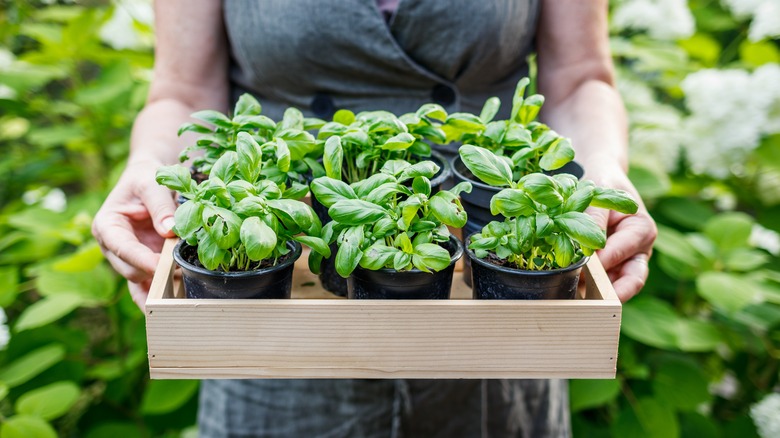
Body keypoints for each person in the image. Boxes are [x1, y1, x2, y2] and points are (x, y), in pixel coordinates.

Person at [93, 0, 657, 436]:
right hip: (271, 349)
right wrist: (150, 166)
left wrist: (603, 168)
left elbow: (581, 76)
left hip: (498, 343)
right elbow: (183, 87)